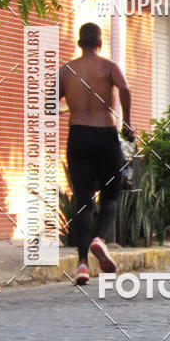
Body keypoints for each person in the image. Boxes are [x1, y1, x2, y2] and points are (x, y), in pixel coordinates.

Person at [59, 22, 135, 285]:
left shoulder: (66, 70)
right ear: (100, 43)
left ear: (80, 43)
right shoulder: (109, 67)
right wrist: (126, 122)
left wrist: (68, 108)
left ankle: (81, 265)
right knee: (111, 194)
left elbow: (49, 102)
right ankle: (99, 239)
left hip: (78, 136)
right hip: (104, 135)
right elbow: (125, 88)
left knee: (82, 201)